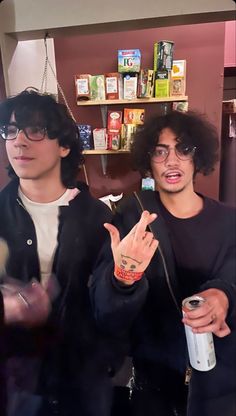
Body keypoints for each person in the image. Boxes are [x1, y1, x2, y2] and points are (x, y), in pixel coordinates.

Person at [90, 111, 236, 416]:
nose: (172, 161)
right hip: (152, 387)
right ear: (148, 159)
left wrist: (223, 296)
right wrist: (122, 279)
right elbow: (105, 315)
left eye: (183, 149)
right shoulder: (131, 220)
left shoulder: (229, 222)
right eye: (160, 151)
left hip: (219, 386)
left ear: (198, 156)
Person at [0, 89, 123, 416]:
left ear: (64, 146)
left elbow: (110, 310)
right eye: (10, 131)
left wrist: (128, 279)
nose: (19, 142)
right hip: (15, 382)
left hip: (83, 381)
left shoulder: (98, 218)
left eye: (35, 130)